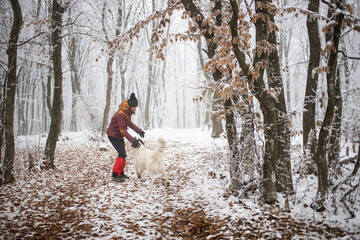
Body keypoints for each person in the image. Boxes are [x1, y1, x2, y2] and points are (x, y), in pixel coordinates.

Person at [106, 93, 145, 182]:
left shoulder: (127, 112)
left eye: (136, 107)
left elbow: (129, 124)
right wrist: (133, 141)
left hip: (119, 134)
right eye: (134, 107)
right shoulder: (121, 114)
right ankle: (115, 174)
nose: (135, 109)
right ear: (130, 106)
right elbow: (122, 129)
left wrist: (139, 131)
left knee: (123, 154)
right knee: (122, 153)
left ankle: (120, 173)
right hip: (113, 135)